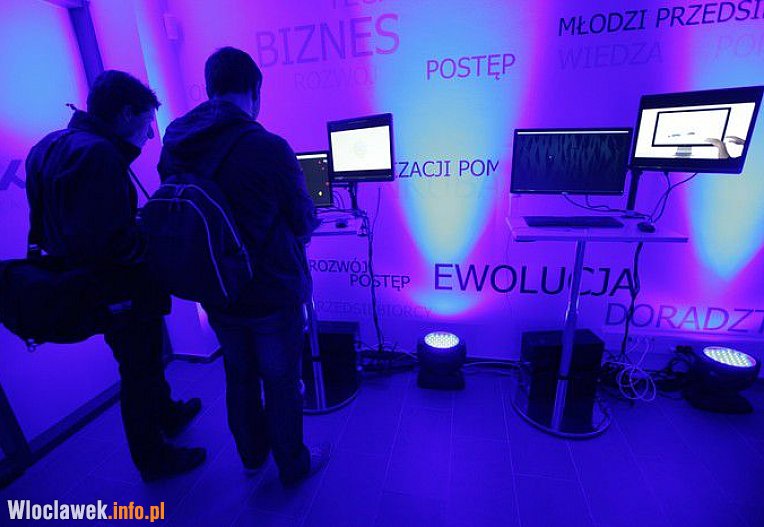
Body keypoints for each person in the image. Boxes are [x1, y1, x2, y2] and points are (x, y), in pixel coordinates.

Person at [25, 70, 206, 482]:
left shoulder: (47, 146)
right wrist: (153, 246)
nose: (148, 136)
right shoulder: (100, 155)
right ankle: (153, 458)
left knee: (142, 359)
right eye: (146, 124)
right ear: (126, 114)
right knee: (138, 370)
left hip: (81, 280)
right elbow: (111, 241)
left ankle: (168, 413)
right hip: (118, 286)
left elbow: (54, 224)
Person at [158, 47, 328, 486]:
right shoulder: (269, 147)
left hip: (214, 287)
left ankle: (252, 456)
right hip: (272, 290)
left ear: (210, 88)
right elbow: (303, 220)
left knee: (238, 375)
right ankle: (292, 464)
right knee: (281, 380)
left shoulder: (176, 141)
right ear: (254, 90)